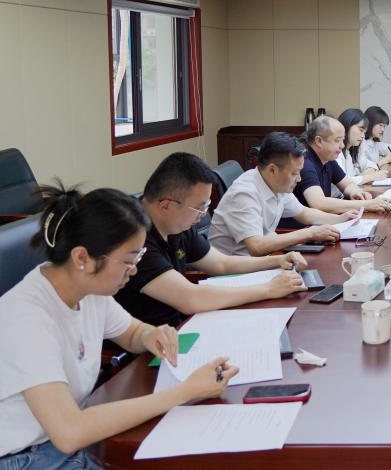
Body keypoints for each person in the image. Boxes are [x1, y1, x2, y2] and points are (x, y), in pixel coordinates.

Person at [0, 185, 237, 469]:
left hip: (71, 438)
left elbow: (132, 333)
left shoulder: (87, 288)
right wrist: (185, 391)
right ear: (82, 258)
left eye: (137, 258)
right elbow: (69, 432)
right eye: (128, 260)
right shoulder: (26, 317)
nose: (133, 270)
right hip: (26, 457)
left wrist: (151, 334)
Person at [114, 153, 309, 328]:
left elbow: (221, 264)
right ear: (166, 205)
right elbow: (189, 299)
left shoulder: (176, 225)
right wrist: (268, 289)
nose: (203, 215)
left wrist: (277, 261)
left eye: (206, 206)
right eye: (199, 208)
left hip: (182, 325)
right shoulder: (134, 238)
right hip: (150, 342)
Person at [207, 132, 359, 257]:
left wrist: (341, 219)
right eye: (294, 173)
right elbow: (256, 246)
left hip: (262, 260)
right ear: (272, 170)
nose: (299, 179)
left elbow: (303, 213)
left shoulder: (276, 183)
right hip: (235, 272)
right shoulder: (245, 193)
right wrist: (309, 233)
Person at [296, 116, 391, 214]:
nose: (342, 145)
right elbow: (319, 203)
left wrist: (355, 192)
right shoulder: (304, 162)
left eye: (343, 140)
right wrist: (366, 204)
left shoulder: (327, 158)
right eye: (337, 140)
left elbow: (347, 184)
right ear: (319, 141)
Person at [336, 108, 387, 185]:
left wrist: (368, 172)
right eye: (360, 130)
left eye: (364, 132)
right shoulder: (336, 153)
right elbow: (343, 181)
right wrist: (371, 177)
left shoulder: (348, 152)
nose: (363, 136)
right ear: (347, 125)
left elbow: (366, 165)